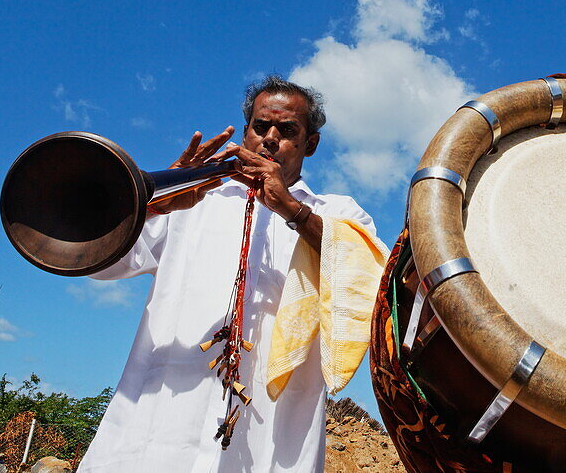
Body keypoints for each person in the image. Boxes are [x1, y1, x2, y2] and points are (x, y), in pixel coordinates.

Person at [77, 75, 377, 473]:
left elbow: (369, 278)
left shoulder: (338, 213)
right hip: (160, 418)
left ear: (311, 144)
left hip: (272, 428)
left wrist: (291, 209)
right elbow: (105, 264)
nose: (270, 138)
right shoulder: (194, 199)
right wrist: (155, 201)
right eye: (260, 126)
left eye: (287, 131)